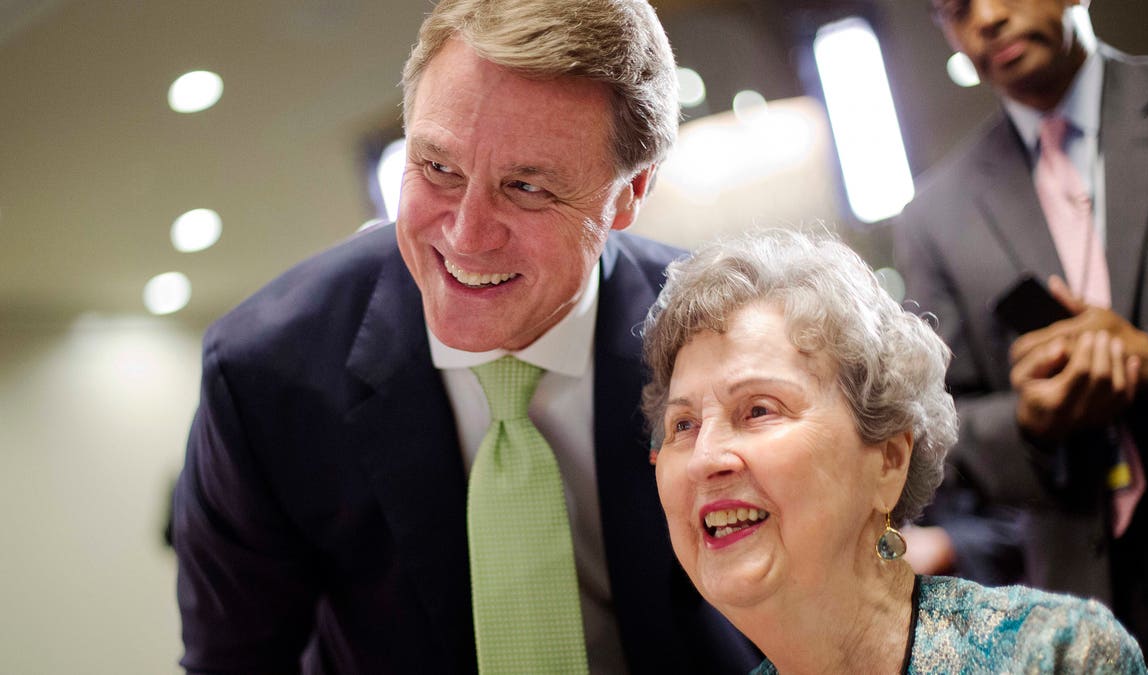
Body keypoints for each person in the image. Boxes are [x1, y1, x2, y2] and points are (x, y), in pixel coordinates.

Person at [170, 1, 760, 672]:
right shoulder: (266, 375)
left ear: (631, 192)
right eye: (439, 169)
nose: (465, 235)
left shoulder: (728, 337)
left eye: (528, 186)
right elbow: (235, 662)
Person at [642, 227, 1148, 674]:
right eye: (682, 424)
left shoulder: (1055, 657)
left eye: (758, 410)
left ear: (888, 460)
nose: (706, 457)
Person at [893, 0, 1148, 671]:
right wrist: (1029, 421)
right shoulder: (935, 216)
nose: (987, 19)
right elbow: (944, 425)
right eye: (955, 8)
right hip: (1083, 594)